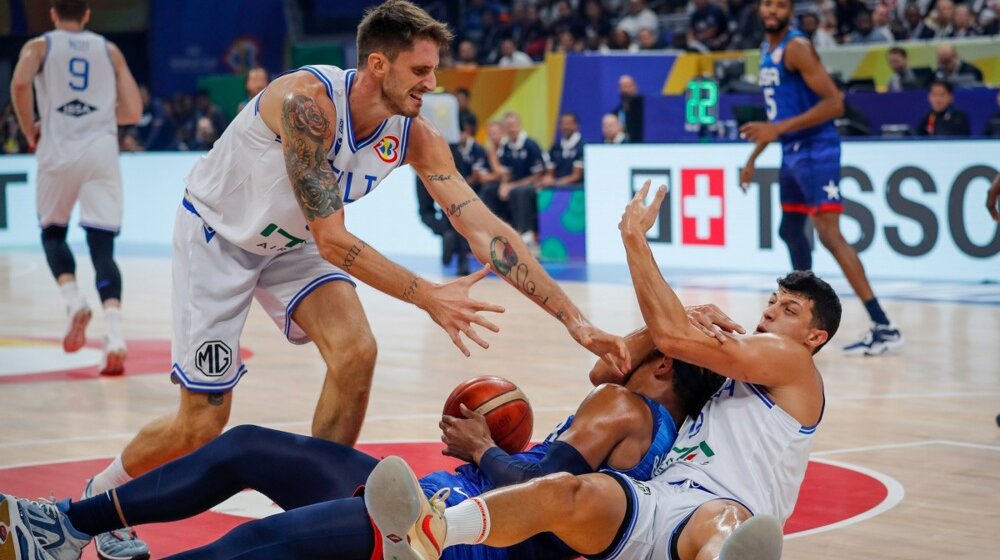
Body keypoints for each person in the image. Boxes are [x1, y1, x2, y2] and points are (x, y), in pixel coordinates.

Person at [80, 2, 628, 558]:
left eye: (434, 70)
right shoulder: (306, 105)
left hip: (291, 244)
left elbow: (485, 231)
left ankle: (313, 523)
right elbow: (334, 241)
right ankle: (97, 499)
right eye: (420, 71)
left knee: (356, 352)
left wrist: (576, 321)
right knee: (201, 422)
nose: (432, 83)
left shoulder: (415, 136)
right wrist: (430, 297)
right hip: (220, 239)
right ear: (378, 65)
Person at [2, 314, 737, 560]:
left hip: (454, 531)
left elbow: (535, 495)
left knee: (255, 544)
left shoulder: (621, 405)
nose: (620, 350)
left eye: (644, 343)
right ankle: (68, 528)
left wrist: (482, 446)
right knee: (254, 445)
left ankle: (70, 528)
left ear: (662, 363)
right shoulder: (661, 427)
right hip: (457, 505)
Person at [365, 182, 843, 560]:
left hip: (725, 506)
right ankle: (432, 532)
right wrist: (680, 319)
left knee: (722, 523)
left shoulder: (793, 362)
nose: (772, 311)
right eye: (772, 301)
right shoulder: (726, 370)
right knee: (562, 491)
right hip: (656, 499)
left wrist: (635, 240)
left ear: (814, 337)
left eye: (790, 310)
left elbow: (673, 338)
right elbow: (608, 370)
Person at [739, 0, 902, 356]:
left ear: (790, 11)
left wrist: (775, 130)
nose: (772, 10)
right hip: (793, 150)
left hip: (817, 149)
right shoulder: (768, 48)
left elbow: (834, 104)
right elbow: (780, 116)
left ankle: (883, 324)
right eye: (767, 3)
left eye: (780, 5)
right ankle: (798, 318)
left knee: (829, 234)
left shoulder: (796, 47)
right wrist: (753, 157)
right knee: (791, 230)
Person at [9, 0, 142, 378]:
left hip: (57, 148)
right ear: (87, 15)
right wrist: (99, 115)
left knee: (52, 232)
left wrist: (29, 127)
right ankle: (114, 335)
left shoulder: (39, 46)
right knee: (103, 245)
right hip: (100, 152)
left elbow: (19, 84)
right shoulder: (109, 49)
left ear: (53, 14)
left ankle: (73, 301)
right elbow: (132, 111)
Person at [480, 111, 547, 254]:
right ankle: (494, 233)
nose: (511, 129)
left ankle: (527, 237)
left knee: (519, 192)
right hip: (514, 185)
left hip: (532, 185)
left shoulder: (531, 145)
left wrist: (512, 185)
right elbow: (506, 173)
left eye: (513, 125)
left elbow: (538, 174)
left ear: (519, 125)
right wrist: (504, 184)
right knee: (489, 190)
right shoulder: (507, 147)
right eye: (508, 126)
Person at [537, 113, 584, 189]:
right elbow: (550, 171)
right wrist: (547, 179)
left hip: (575, 189)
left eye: (569, 124)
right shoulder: (556, 146)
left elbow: (576, 176)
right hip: (555, 186)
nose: (565, 126)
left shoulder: (582, 147)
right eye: (563, 123)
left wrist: (555, 183)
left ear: (576, 125)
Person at [612, 75, 644, 142]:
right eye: (622, 87)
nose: (625, 90)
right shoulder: (615, 114)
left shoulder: (645, 112)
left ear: (635, 88)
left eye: (628, 86)